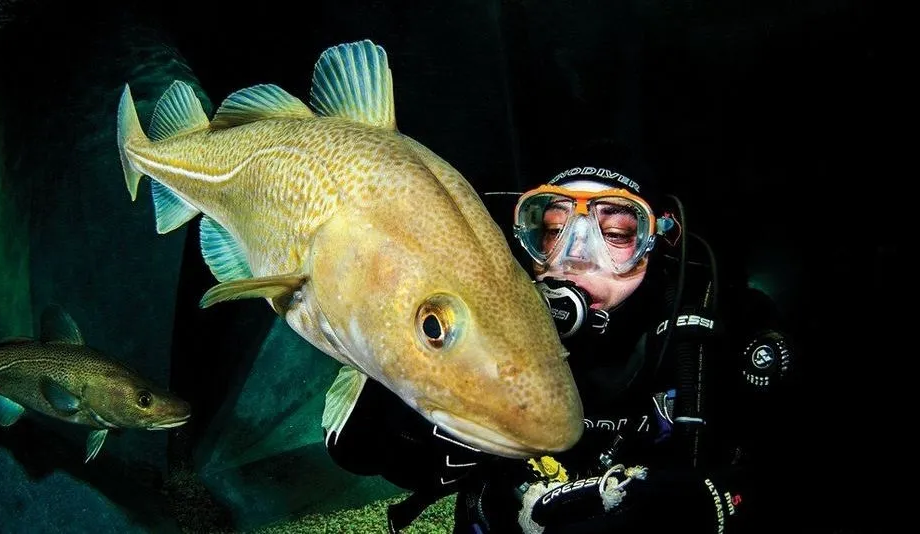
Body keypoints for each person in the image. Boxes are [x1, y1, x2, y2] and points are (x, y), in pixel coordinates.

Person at [324, 145, 799, 534]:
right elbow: (376, 456)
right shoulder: (475, 324)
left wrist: (710, 503)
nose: (574, 255)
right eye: (552, 230)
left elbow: (800, 467)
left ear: (656, 243)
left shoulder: (715, 329)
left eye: (615, 232)